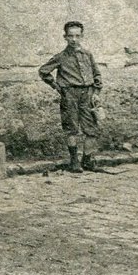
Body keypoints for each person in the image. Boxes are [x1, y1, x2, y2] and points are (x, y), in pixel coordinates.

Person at [38, 20, 104, 172]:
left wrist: (96, 92)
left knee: (91, 129)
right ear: (65, 37)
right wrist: (56, 86)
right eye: (70, 36)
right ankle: (74, 162)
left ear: (82, 36)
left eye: (77, 36)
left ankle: (87, 160)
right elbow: (43, 71)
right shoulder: (61, 57)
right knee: (71, 129)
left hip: (87, 94)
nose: (74, 39)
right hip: (70, 95)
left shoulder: (87, 54)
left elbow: (96, 74)